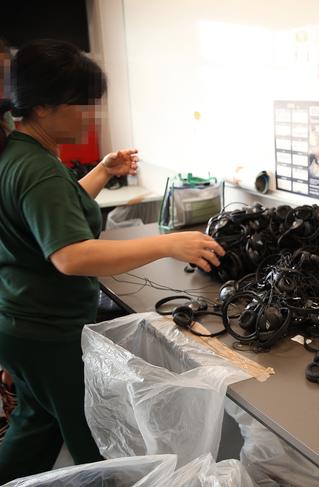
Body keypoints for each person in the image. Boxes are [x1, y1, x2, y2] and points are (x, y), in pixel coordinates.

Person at [0, 40, 224, 482]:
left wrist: (102, 171)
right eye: (81, 104)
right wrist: (167, 244)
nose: (89, 115)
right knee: (95, 441)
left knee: (37, 424)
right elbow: (70, 254)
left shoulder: (20, 154)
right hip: (46, 331)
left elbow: (52, 216)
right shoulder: (37, 169)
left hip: (20, 324)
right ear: (44, 107)